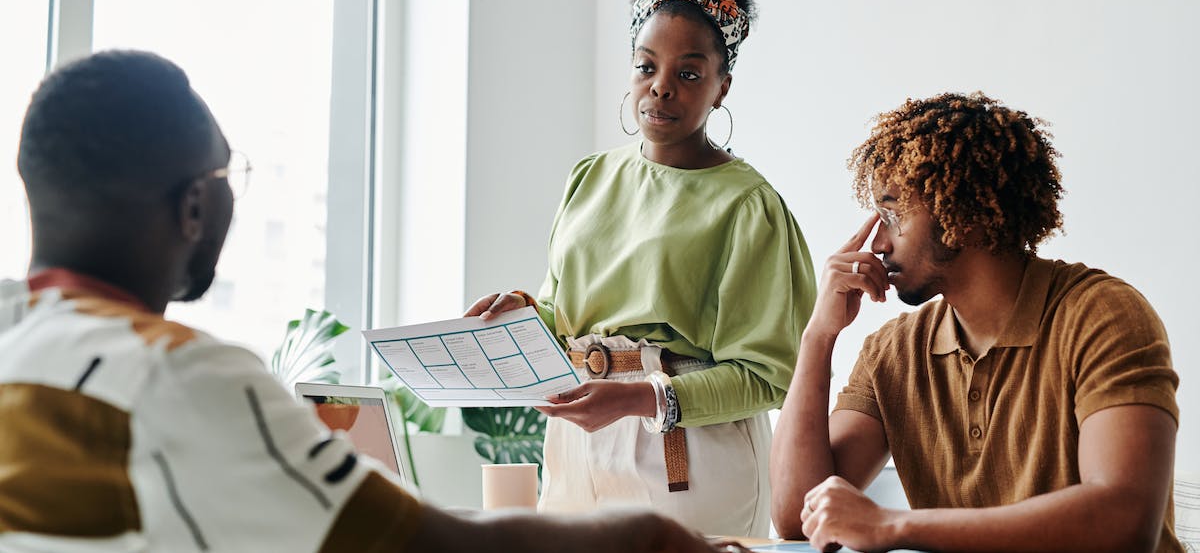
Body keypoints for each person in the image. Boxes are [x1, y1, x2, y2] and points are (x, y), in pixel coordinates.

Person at [0, 49, 747, 553]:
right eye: (231, 178)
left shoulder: (15, 339)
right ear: (194, 206)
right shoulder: (182, 376)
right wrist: (644, 536)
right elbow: (429, 546)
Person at [465, 0, 816, 538]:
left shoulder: (747, 204)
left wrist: (634, 400)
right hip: (575, 445)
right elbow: (567, 312)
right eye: (646, 66)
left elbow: (766, 375)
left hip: (688, 459)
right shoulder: (591, 177)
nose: (661, 87)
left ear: (721, 86)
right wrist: (524, 312)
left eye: (688, 73)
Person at [770, 92, 1182, 552]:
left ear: (961, 216)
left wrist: (893, 526)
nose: (878, 242)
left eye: (892, 214)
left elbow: (1123, 522)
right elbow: (796, 517)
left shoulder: (1103, 316)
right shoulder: (894, 353)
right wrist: (818, 336)